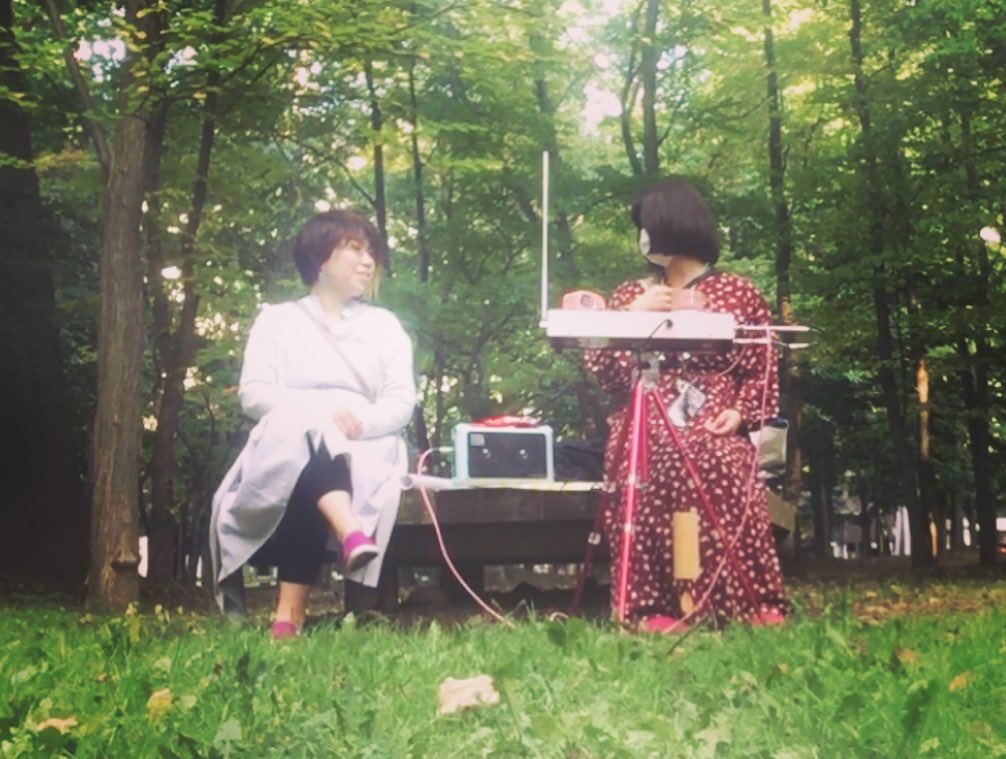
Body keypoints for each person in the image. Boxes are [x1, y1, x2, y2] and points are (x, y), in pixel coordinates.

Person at [584, 178, 787, 632]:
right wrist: (631, 317)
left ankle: (748, 599)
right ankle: (652, 606)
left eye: (645, 225)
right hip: (647, 408)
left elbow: (761, 366)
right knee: (646, 459)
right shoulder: (630, 295)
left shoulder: (737, 292)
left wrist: (742, 413)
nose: (641, 237)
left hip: (715, 412)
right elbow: (606, 374)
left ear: (667, 225)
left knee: (716, 457)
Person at [210, 210, 415, 638]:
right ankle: (350, 532)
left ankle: (289, 616)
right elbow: (254, 393)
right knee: (302, 446)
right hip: (287, 435)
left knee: (307, 463)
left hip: (364, 443)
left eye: (371, 252)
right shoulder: (277, 321)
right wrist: (314, 412)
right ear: (320, 259)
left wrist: (361, 423)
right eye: (354, 249)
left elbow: (400, 401)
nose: (368, 261)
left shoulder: (384, 326)